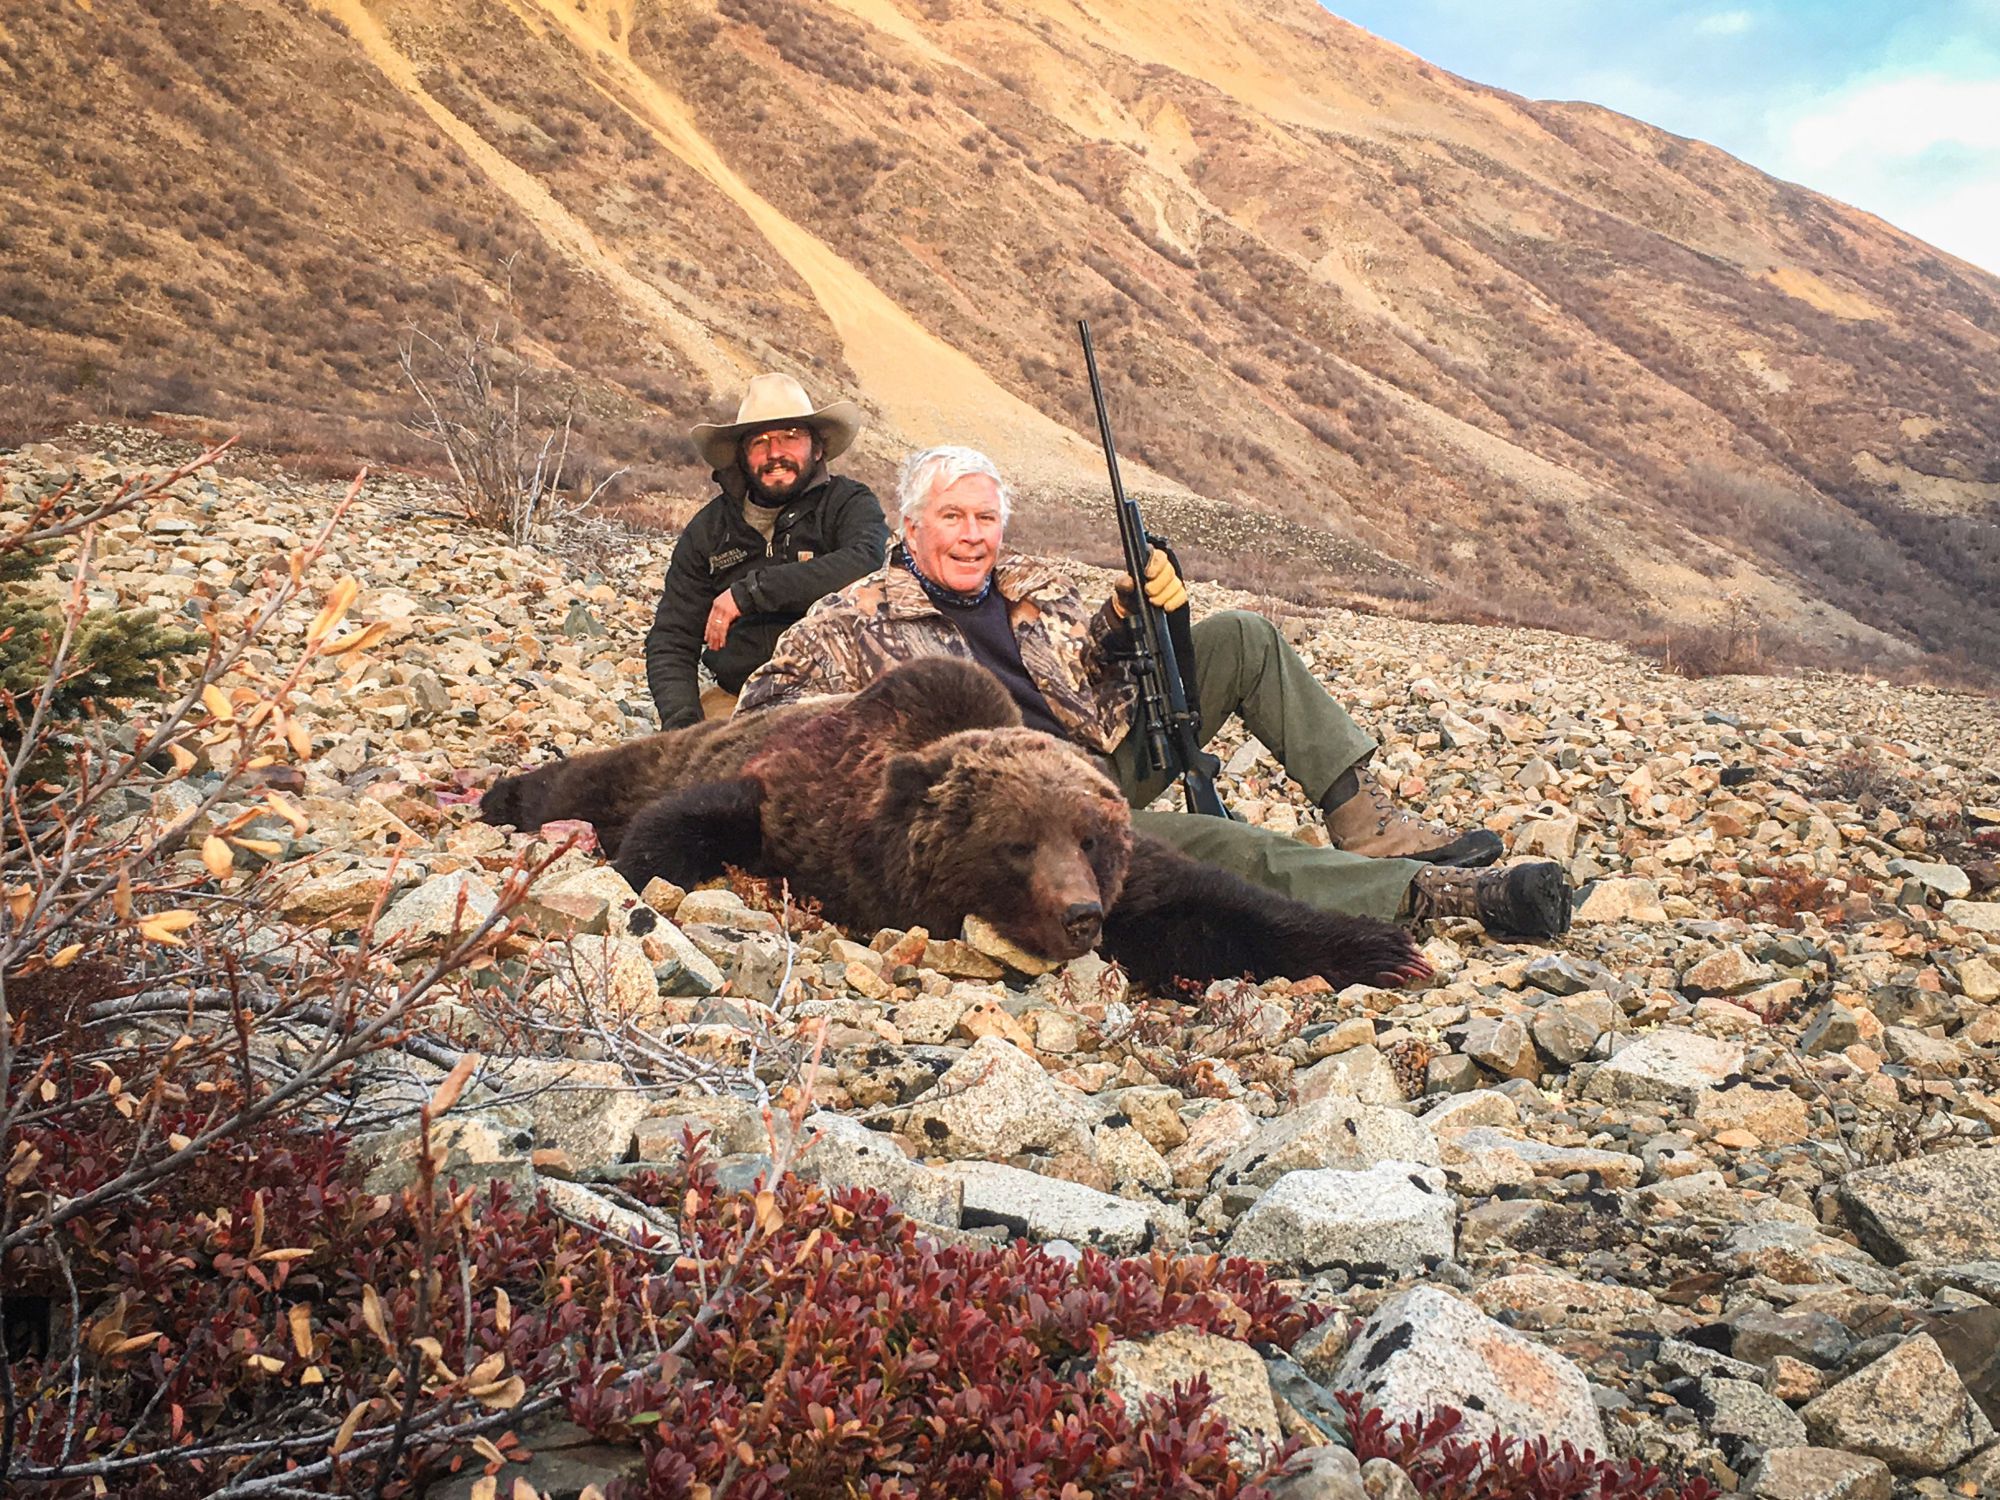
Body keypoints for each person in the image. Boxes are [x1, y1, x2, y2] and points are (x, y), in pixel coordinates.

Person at [738, 445, 1572, 937]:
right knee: (1220, 843)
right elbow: (767, 718)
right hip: (1026, 824)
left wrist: (1136, 610)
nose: (971, 536)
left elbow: (1092, 668)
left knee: (1243, 636)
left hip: (1095, 756)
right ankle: (1437, 897)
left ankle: (1368, 824)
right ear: (910, 527)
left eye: (985, 519)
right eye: (952, 518)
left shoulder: (1031, 587)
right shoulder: (848, 619)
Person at [644, 373, 891, 729]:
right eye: (760, 442)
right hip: (738, 701)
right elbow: (672, 637)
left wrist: (751, 593)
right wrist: (682, 723)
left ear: (817, 448)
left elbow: (867, 561)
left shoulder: (848, 503)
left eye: (791, 437)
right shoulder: (708, 530)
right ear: (742, 456)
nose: (775, 453)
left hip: (840, 701)